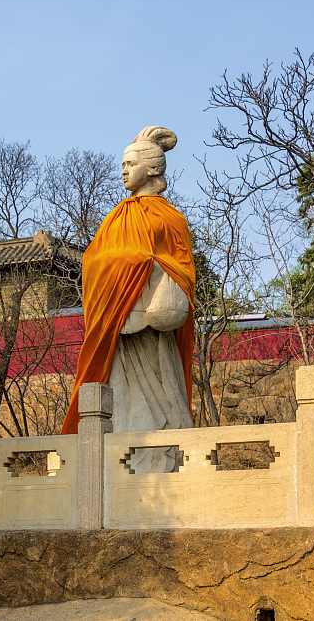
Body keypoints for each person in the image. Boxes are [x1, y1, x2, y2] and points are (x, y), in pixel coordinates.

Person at [59, 127, 195, 473]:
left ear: (152, 169)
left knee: (164, 396)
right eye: (122, 163)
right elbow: (94, 261)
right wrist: (123, 270)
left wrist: (146, 269)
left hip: (153, 321)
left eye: (130, 163)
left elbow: (179, 267)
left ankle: (164, 457)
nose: (123, 170)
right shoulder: (117, 217)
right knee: (121, 398)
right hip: (120, 321)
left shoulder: (170, 218)